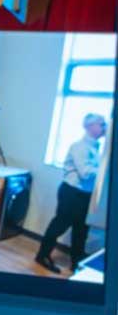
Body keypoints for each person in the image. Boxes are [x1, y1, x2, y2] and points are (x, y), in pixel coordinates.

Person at [36, 113, 107, 274]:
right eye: (101, 124)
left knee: (82, 231)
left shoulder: (95, 148)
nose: (104, 127)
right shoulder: (79, 147)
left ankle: (76, 263)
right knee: (59, 226)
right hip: (71, 193)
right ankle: (42, 256)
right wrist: (105, 168)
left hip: (85, 195)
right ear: (89, 126)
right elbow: (86, 173)